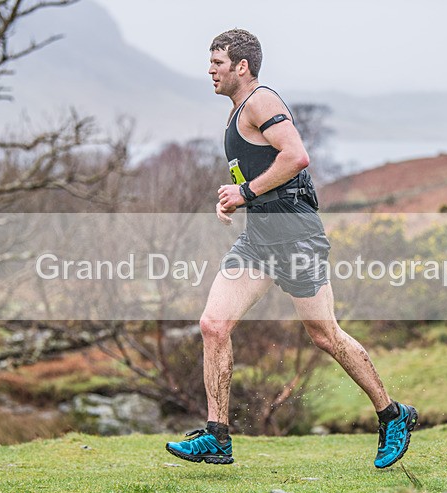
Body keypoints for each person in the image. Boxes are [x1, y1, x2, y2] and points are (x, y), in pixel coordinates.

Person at [165, 29, 417, 468]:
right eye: (210, 62)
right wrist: (236, 196)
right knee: (213, 324)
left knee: (324, 335)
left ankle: (392, 415)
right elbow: (262, 172)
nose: (210, 70)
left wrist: (245, 194)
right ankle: (217, 436)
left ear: (241, 66)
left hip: (297, 237)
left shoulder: (262, 100)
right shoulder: (236, 112)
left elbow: (297, 156)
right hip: (259, 240)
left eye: (218, 63)